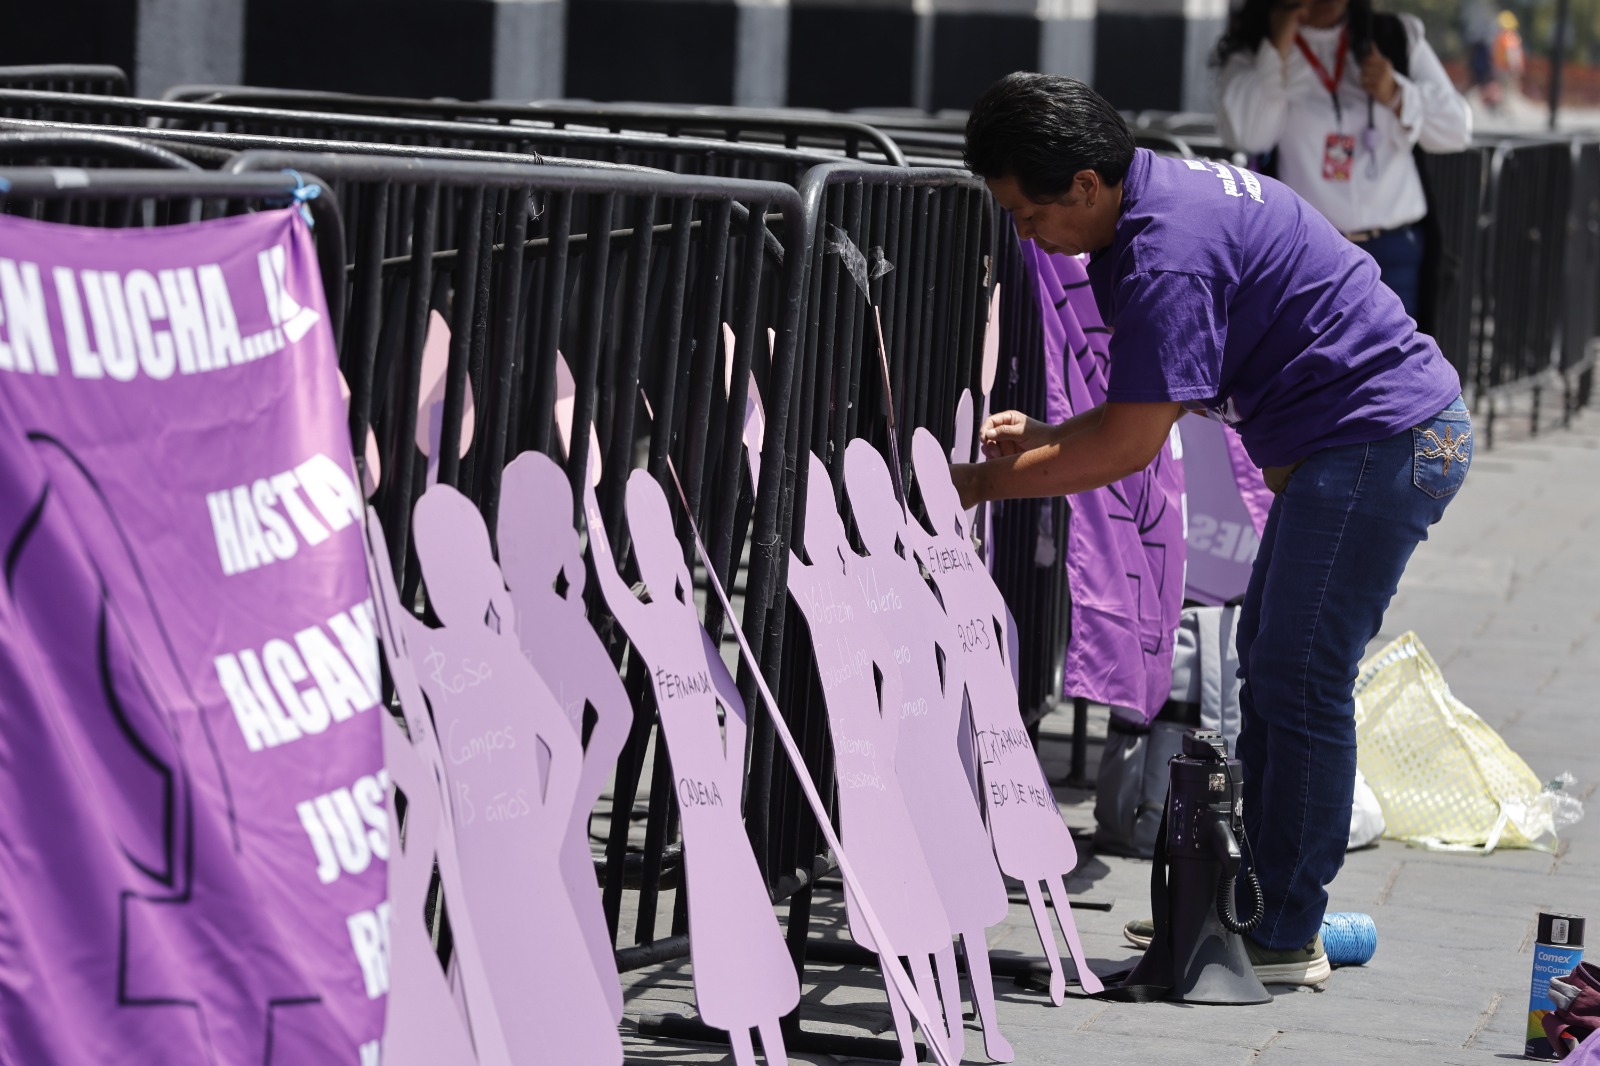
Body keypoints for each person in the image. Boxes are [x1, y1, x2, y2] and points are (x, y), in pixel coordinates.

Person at [954, 72, 1473, 985]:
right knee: (1273, 665)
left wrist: (976, 484)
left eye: (1028, 216)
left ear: (1083, 184)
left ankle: (1282, 935)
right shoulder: (1149, 208)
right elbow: (1138, 407)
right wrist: (1044, 440)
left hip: (1379, 440)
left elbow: (1125, 446)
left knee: (1297, 678)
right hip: (1360, 444)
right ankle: (1255, 912)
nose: (1027, 237)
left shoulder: (1164, 251)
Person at [1214, 0, 1471, 318]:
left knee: (1397, 366)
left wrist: (1397, 93)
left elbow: (1457, 129)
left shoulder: (1393, 36)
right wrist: (1276, 48)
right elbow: (1249, 135)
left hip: (1395, 252)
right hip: (1308, 257)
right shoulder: (1256, 47)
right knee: (1314, 365)